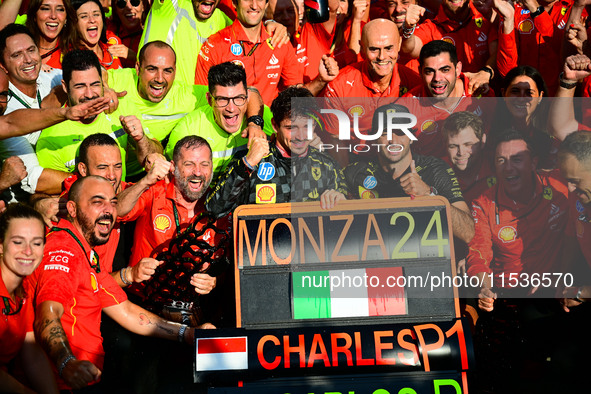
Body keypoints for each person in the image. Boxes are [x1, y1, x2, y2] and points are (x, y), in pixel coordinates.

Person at [31, 175, 214, 391]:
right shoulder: (63, 250)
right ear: (71, 209)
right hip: (63, 383)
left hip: (84, 377)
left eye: (113, 202)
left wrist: (188, 334)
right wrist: (66, 364)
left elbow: (126, 311)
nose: (108, 210)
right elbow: (47, 316)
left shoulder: (82, 250)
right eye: (97, 202)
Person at [206, 86, 348, 218]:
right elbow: (213, 209)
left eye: (307, 126)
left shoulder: (326, 165)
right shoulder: (251, 160)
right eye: (291, 128)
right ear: (275, 125)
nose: (300, 136)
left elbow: (347, 218)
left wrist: (341, 200)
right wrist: (246, 165)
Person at [344, 102, 475, 244]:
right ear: (374, 139)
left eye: (401, 132)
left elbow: (468, 233)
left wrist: (429, 195)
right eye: (385, 133)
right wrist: (335, 197)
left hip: (424, 263)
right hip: (377, 262)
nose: (393, 140)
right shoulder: (355, 172)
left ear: (411, 137)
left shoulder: (435, 169)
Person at [36, 49, 161, 180]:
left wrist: (141, 140)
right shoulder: (50, 139)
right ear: (65, 87)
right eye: (80, 86)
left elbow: (156, 155)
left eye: (95, 84)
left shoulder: (122, 106)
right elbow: (50, 194)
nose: (90, 95)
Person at [320, 18, 421, 166]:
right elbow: (336, 142)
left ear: (399, 45)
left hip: (402, 160)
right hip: (357, 161)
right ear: (362, 47)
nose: (382, 57)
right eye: (374, 49)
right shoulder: (339, 86)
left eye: (389, 48)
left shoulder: (413, 82)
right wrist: (346, 183)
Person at [194, 0, 338, 104]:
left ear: (266, 4)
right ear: (234, 3)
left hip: (269, 132)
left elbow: (296, 98)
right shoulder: (214, 45)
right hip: (228, 136)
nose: (254, 5)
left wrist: (321, 80)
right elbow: (202, 101)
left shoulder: (280, 41)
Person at [139, 0, 289, 86]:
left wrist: (271, 23)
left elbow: (250, 29)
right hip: (157, 98)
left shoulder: (222, 19)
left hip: (193, 109)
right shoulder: (169, 5)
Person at [167, 61, 273, 178]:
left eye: (238, 98)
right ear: (209, 100)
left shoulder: (261, 114)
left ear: (247, 97)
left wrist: (256, 124)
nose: (231, 108)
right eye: (222, 99)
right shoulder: (186, 131)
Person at [402, 40, 495, 159]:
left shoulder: (481, 93)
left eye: (445, 70)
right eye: (429, 71)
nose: (437, 78)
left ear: (457, 69)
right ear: (420, 72)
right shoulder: (406, 108)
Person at [0, 204, 58, 394]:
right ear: (0, 245)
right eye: (18, 242)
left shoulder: (23, 288)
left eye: (36, 243)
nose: (28, 251)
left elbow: (31, 352)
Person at [399, 0, 498, 91]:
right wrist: (408, 27)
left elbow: (497, 51)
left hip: (486, 98)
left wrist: (486, 72)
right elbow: (409, 50)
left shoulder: (486, 16)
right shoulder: (431, 27)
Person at [442, 111, 494, 206]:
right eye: (453, 146)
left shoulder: (498, 166)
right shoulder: (436, 172)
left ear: (483, 140)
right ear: (445, 145)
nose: (461, 153)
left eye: (468, 145)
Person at [26, 0, 78, 69]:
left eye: (60, 9)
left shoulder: (76, 54)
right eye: (46, 9)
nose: (53, 16)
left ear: (66, 18)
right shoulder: (19, 47)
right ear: (34, 16)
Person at [72, 0, 122, 69]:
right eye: (84, 16)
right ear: (73, 23)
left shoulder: (112, 46)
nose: (92, 20)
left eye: (96, 14)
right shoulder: (70, 57)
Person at [106, 0, 146, 67]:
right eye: (121, 3)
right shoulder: (106, 28)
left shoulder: (152, 32)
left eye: (135, 2)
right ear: (115, 9)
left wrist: (133, 56)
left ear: (143, 6)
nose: (129, 7)